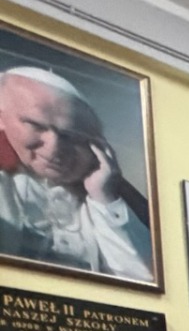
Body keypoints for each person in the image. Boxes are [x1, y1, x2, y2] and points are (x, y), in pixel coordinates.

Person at [0, 66, 153, 282]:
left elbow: (142, 280)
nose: (54, 148)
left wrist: (105, 198)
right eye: (35, 126)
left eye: (69, 136)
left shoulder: (94, 194)